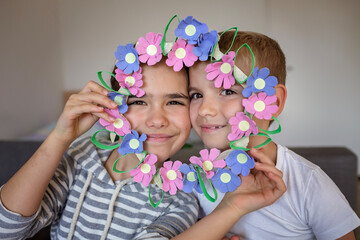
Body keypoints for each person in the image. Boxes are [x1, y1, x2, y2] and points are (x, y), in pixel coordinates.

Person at [188, 30, 360, 239]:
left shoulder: (308, 184)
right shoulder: (192, 182)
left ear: (274, 101)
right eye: (196, 95)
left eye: (228, 91)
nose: (204, 109)